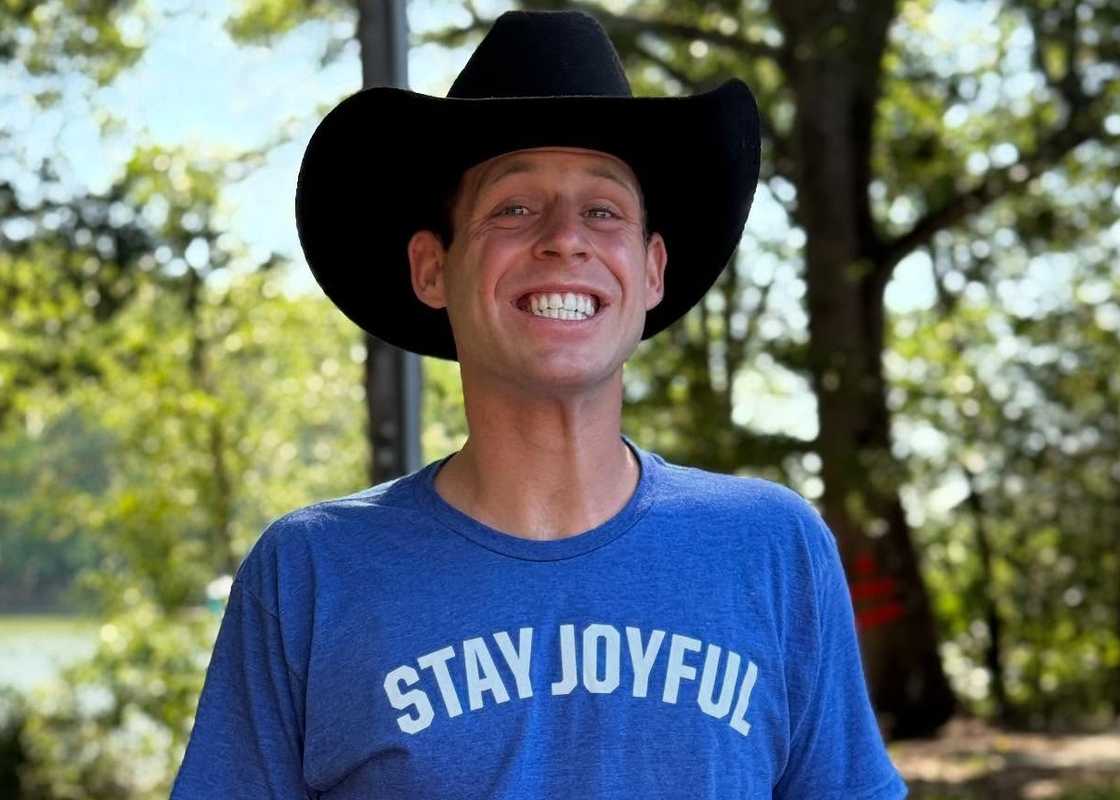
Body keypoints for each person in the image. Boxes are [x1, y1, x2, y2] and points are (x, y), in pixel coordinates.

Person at [170, 9, 908, 799]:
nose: (565, 238)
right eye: (514, 207)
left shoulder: (771, 550)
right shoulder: (312, 573)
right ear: (432, 268)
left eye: (604, 210)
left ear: (651, 271)